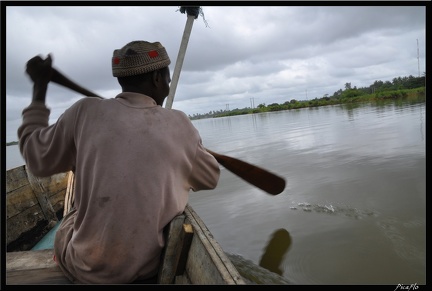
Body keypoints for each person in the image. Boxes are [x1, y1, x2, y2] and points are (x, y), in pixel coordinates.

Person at [18, 40, 221, 284]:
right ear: (157, 77)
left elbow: (36, 159)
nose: (167, 83)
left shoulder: (84, 112)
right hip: (144, 269)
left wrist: (40, 88)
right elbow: (210, 178)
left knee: (72, 215)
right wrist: (189, 151)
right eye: (166, 77)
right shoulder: (179, 124)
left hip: (86, 268)